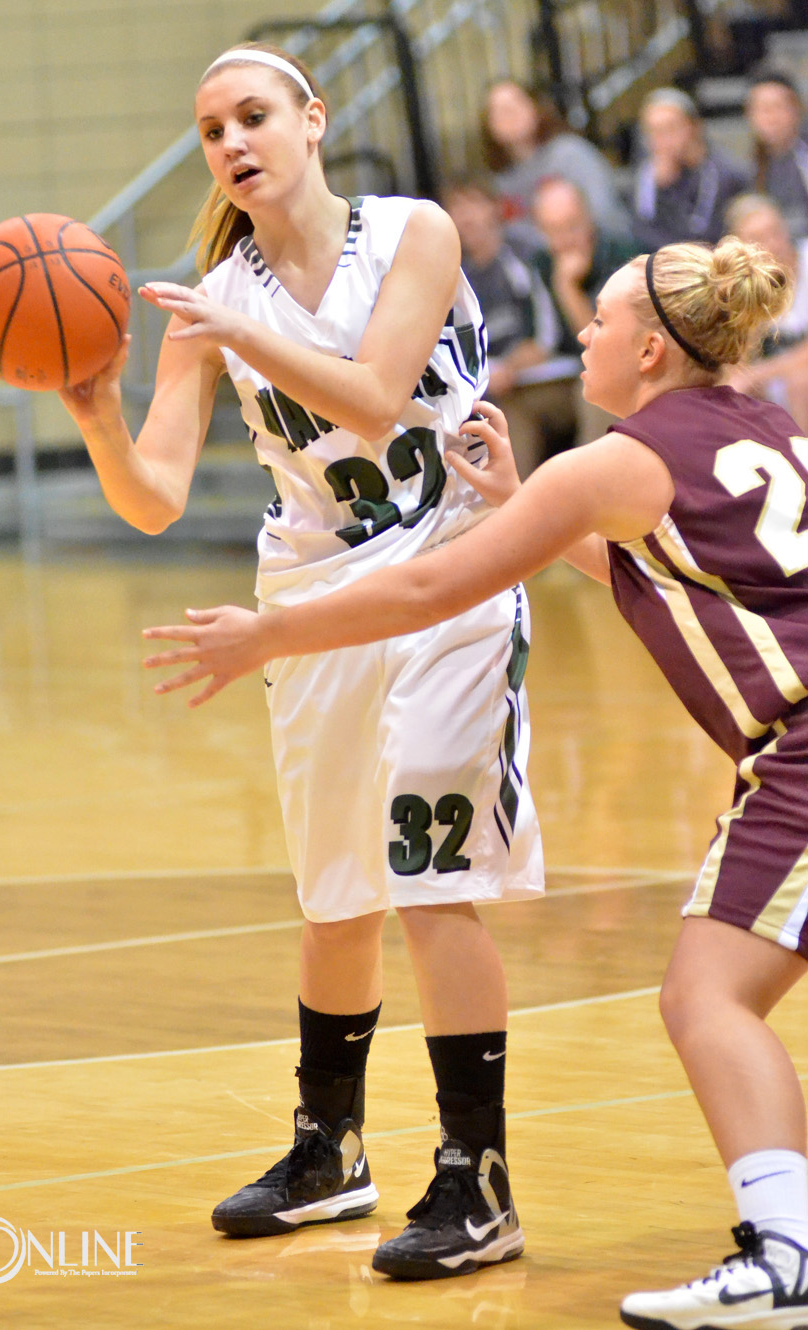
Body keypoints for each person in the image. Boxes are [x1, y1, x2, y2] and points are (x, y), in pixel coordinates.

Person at [145, 235, 808, 1329]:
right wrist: (521, 509)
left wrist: (268, 632)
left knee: (704, 995)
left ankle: (783, 1252)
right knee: (712, 991)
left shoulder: (606, 465)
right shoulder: (761, 429)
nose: (581, 333)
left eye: (596, 319)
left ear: (647, 348)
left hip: (797, 750)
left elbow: (429, 588)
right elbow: (674, 583)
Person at [58, 41, 544, 1281]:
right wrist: (96, 410)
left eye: (253, 115)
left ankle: (473, 1181)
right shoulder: (212, 299)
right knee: (334, 898)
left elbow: (378, 398)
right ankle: (328, 1149)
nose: (231, 141)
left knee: (431, 883)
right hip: (312, 590)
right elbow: (157, 499)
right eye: (212, 125)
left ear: (313, 120)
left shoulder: (413, 232)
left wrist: (231, 326)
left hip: (451, 569)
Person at [442, 175, 569, 476]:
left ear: (494, 208)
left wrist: (510, 368)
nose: (465, 216)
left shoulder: (523, 256)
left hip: (543, 381)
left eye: (472, 204)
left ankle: (512, 506)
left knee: (505, 414)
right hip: (487, 389)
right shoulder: (455, 273)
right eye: (455, 208)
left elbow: (545, 340)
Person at [527, 176, 637, 452]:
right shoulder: (539, 262)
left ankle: (586, 490)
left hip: (617, 371)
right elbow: (543, 337)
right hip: (562, 374)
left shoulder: (624, 256)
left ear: (589, 218)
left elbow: (606, 346)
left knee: (594, 395)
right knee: (509, 405)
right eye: (553, 231)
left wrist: (567, 289)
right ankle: (512, 495)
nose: (565, 241)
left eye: (572, 227)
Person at [481, 79, 630, 249]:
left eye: (516, 103)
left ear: (535, 108)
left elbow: (604, 212)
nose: (510, 114)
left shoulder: (570, 153)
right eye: (499, 111)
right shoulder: (501, 182)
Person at [723, 192, 808, 431]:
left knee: (800, 383)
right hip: (773, 380)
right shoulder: (743, 284)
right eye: (758, 239)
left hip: (794, 381)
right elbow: (736, 357)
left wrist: (760, 374)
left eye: (775, 231)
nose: (772, 244)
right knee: (732, 391)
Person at [632, 87, 749, 250]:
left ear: (694, 127)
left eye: (670, 128)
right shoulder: (648, 177)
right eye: (653, 131)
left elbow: (707, 233)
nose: (662, 139)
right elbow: (642, 233)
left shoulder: (728, 175)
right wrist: (663, 191)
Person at [746, 69, 808, 240]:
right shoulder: (751, 167)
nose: (770, 118)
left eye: (776, 107)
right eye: (761, 109)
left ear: (797, 109)